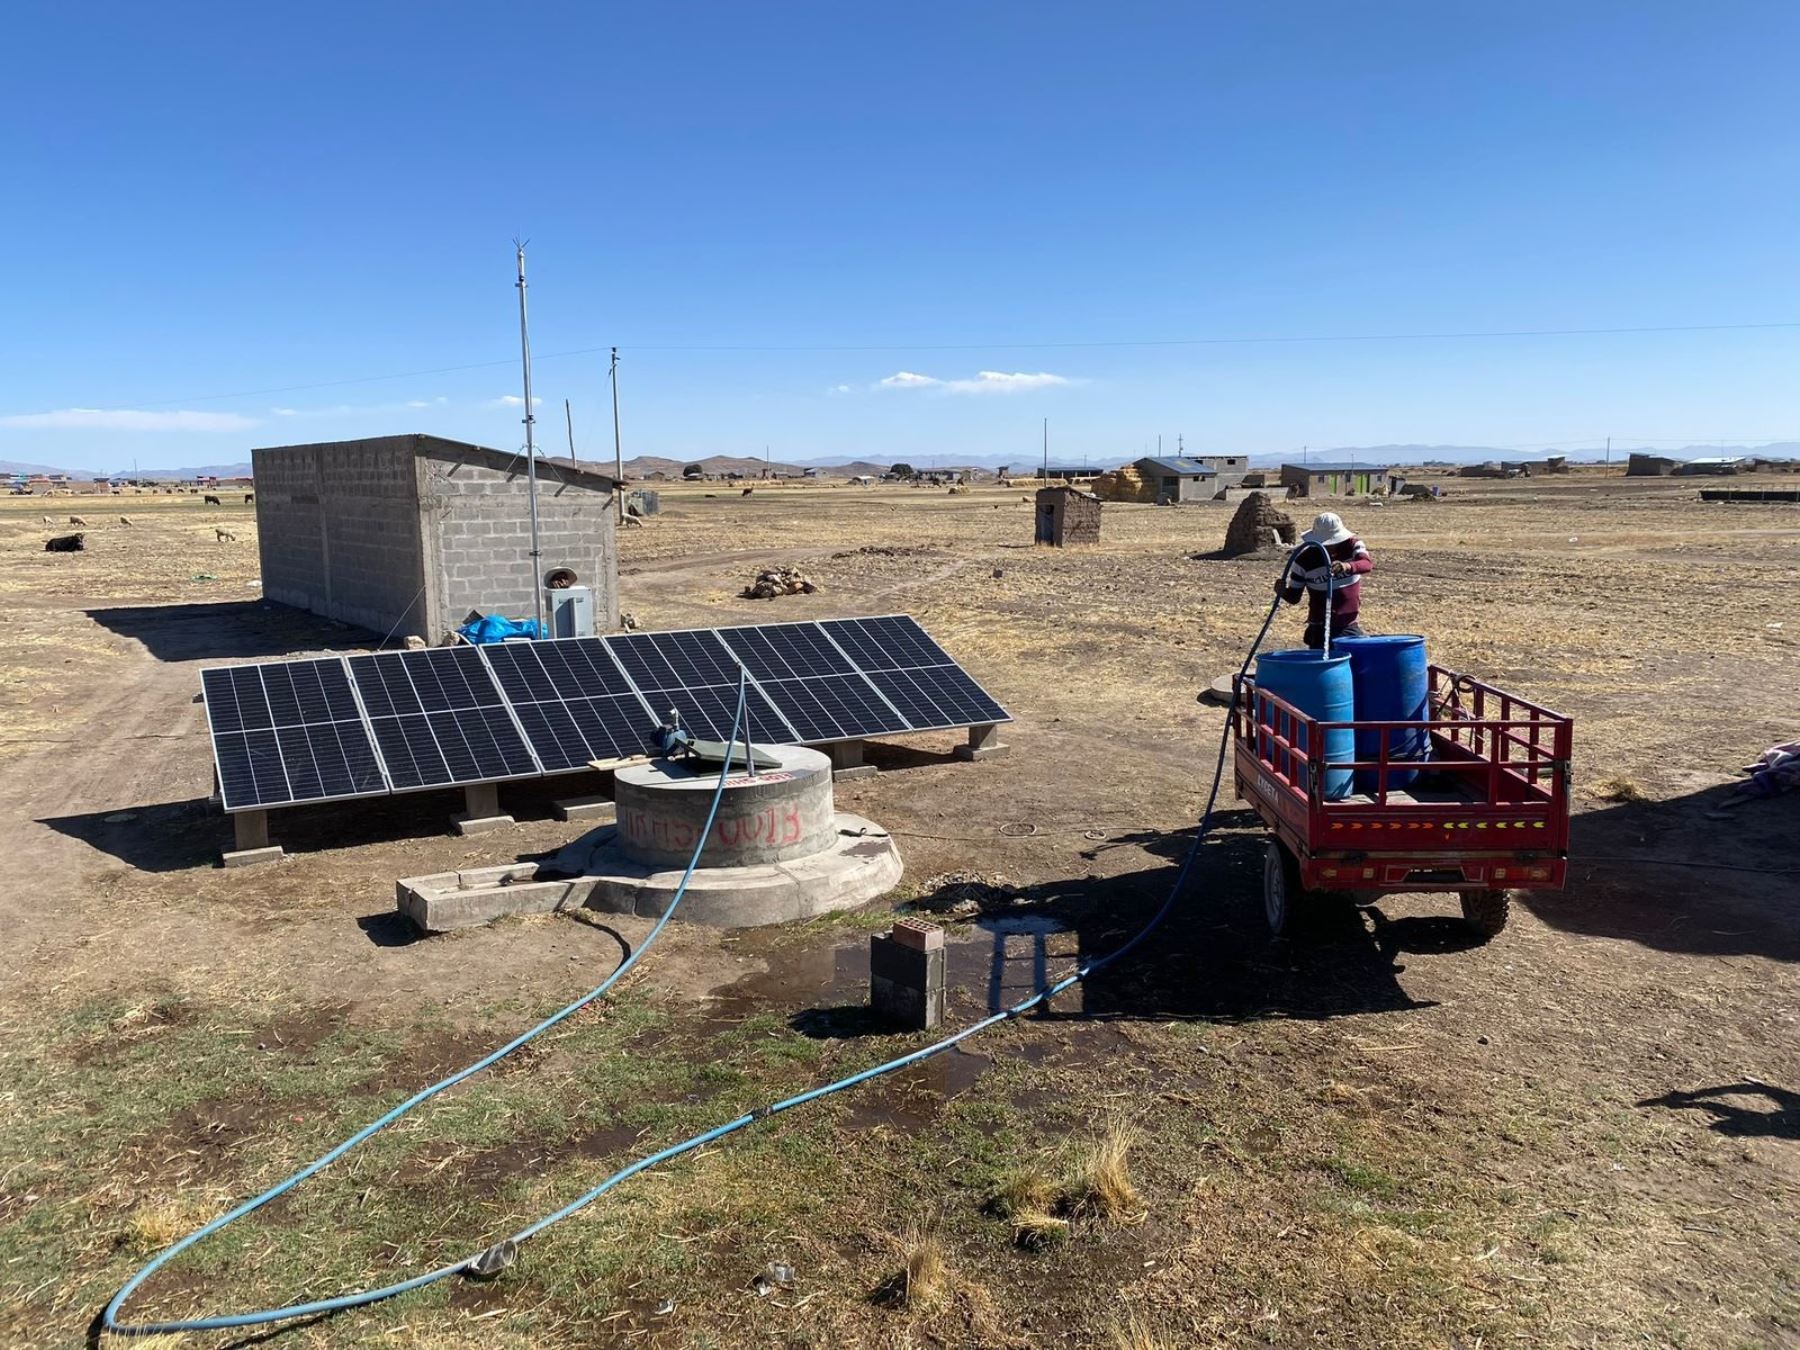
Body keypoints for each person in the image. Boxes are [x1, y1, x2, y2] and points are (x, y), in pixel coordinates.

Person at [1278, 511, 1372, 649]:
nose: (1331, 547)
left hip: (1348, 624)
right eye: (1326, 544)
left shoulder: (1353, 546)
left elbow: (1366, 564)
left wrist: (1347, 566)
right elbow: (1294, 597)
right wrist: (1282, 592)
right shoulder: (1304, 561)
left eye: (1335, 542)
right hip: (1319, 627)